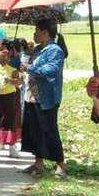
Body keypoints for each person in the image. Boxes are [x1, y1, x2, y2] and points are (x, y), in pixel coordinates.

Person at [20, 19, 67, 178]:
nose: (34, 34)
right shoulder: (38, 49)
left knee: (49, 130)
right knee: (34, 130)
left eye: (36, 31)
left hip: (46, 98)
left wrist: (30, 68)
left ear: (45, 32)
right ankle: (38, 163)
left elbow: (51, 70)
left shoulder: (54, 50)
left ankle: (60, 165)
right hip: (32, 96)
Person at [0, 42, 22, 158]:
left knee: (10, 120)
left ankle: (11, 146)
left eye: (6, 54)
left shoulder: (13, 69)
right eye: (1, 51)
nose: (4, 55)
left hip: (9, 96)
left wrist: (11, 81)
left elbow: (19, 83)